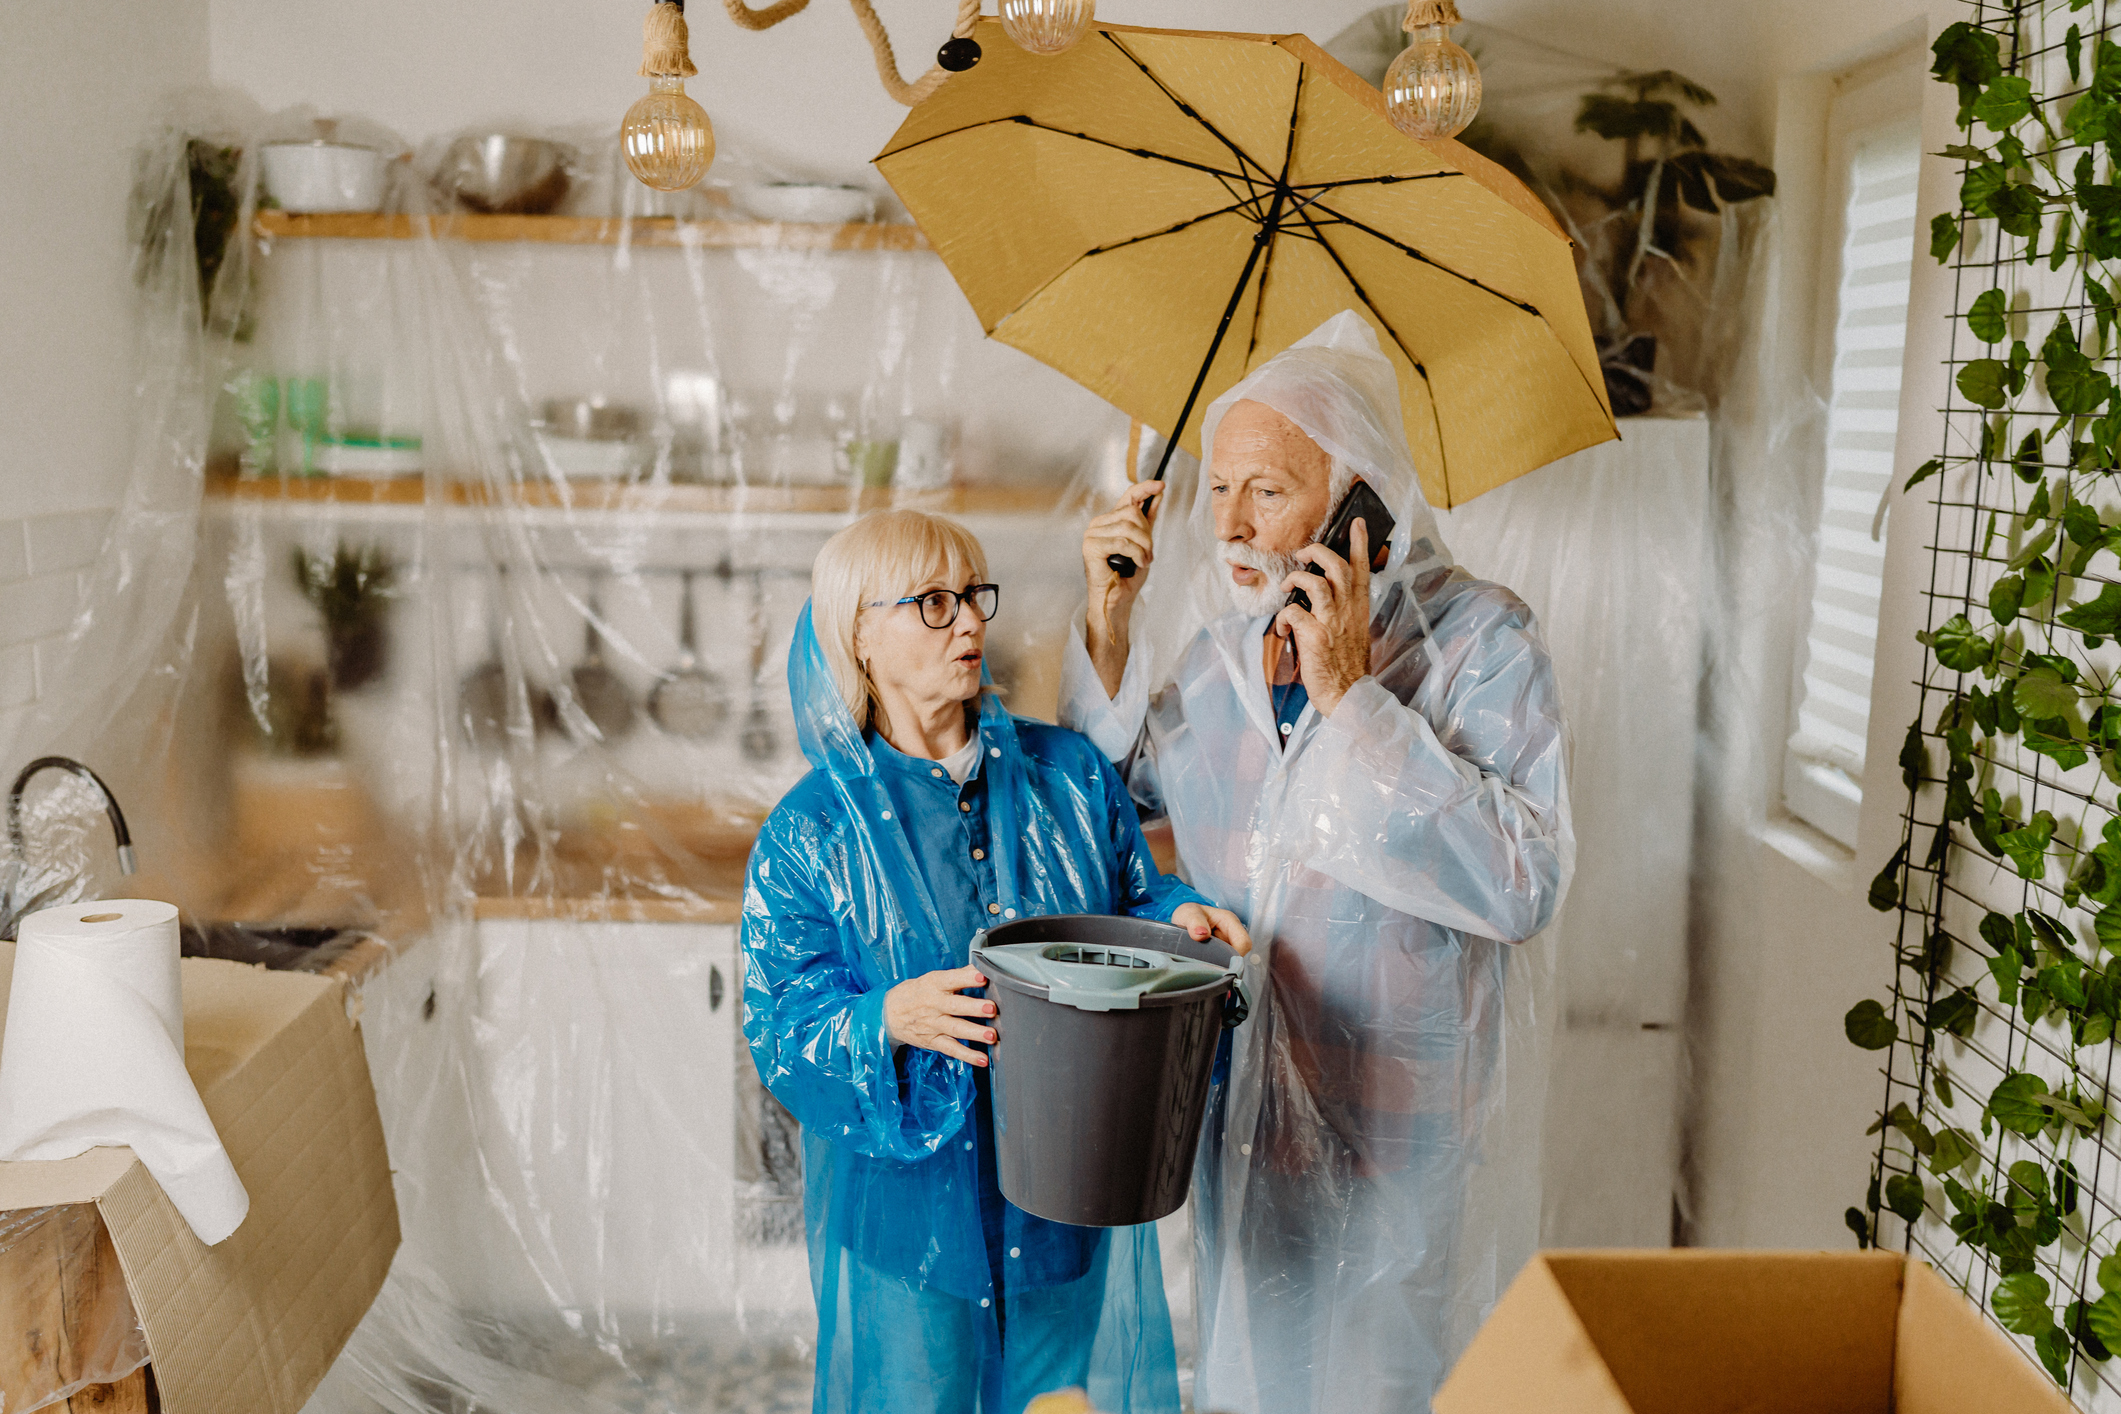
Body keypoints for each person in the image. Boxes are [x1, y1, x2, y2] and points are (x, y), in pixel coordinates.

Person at [1061, 312, 1574, 1413]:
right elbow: (1101, 799)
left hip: (1396, 1116)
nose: (1234, 525)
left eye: (1270, 489)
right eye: (1219, 489)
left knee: (1380, 1387)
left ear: (1360, 503)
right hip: (1239, 1102)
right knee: (1247, 1374)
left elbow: (1522, 880)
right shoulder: (1223, 661)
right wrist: (1108, 622)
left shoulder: (1483, 642)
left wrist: (1352, 698)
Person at [742, 509, 1251, 1414]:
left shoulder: (1068, 776)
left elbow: (1131, 901)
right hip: (915, 1220)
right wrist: (884, 1018)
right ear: (858, 632)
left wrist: (1187, 919)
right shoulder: (811, 831)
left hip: (1066, 1185)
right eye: (932, 603)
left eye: (973, 594)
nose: (970, 622)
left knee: (1056, 1400)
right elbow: (783, 1023)